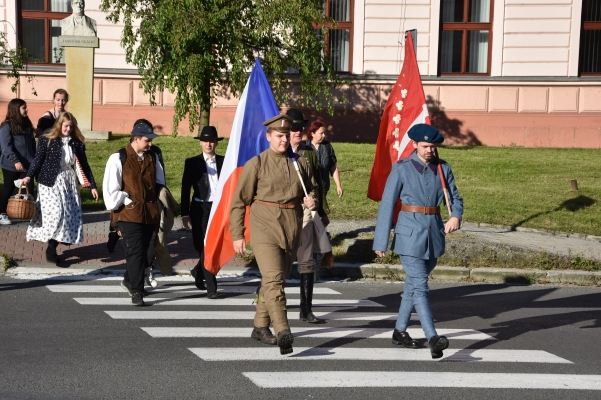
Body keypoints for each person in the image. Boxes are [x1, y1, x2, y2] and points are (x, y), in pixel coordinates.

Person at [372, 124, 463, 359]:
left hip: (433, 235)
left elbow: (455, 198)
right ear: (414, 145)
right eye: (424, 146)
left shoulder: (443, 168)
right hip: (409, 236)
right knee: (421, 285)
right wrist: (380, 241)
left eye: (432, 146)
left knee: (413, 286)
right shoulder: (401, 169)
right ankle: (433, 337)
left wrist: (455, 215)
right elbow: (387, 204)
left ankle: (399, 332)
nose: (429, 150)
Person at [230, 114, 319, 355]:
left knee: (274, 280)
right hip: (264, 227)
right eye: (278, 136)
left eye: (286, 136)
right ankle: (283, 331)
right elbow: (239, 202)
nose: (283, 140)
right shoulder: (256, 164)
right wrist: (237, 234)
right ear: (268, 136)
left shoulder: (300, 164)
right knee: (274, 280)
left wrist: (313, 200)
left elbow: (312, 188)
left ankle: (260, 326)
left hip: (291, 227)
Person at [22, 112, 98, 264]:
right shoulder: (46, 140)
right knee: (56, 213)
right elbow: (38, 160)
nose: (68, 129)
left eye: (71, 126)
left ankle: (52, 247)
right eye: (66, 126)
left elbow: (85, 166)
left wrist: (92, 186)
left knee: (66, 215)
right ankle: (51, 245)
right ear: (59, 125)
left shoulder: (76, 143)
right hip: (49, 181)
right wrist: (29, 176)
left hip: (68, 182)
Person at [103, 123, 165, 306]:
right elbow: (110, 193)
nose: (150, 144)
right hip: (127, 214)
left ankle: (129, 280)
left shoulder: (153, 157)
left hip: (150, 214)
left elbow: (160, 184)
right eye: (147, 140)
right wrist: (126, 199)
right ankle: (137, 291)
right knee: (136, 250)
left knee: (146, 252)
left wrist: (162, 207)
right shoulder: (118, 158)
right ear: (135, 139)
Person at [286, 108, 327, 323]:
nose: (297, 132)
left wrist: (317, 203)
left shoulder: (309, 153)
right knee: (278, 262)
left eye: (300, 128)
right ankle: (266, 300)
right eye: (293, 129)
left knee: (307, 261)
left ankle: (306, 309)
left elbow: (316, 184)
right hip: (282, 213)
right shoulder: (277, 153)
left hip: (305, 214)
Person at [181, 126, 224, 298]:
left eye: (212, 141)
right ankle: (201, 273)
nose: (209, 144)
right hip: (200, 208)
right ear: (200, 143)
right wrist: (184, 213)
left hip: (218, 208)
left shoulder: (224, 161)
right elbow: (185, 190)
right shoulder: (192, 163)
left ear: (216, 143)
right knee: (202, 245)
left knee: (212, 246)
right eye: (206, 141)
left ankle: (209, 284)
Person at [0, 99, 36, 225]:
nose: (27, 110)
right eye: (24, 108)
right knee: (8, 188)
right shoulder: (7, 126)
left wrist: (35, 160)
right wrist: (15, 160)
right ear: (16, 110)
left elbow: (32, 145)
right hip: (11, 165)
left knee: (29, 188)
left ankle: (31, 213)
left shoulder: (26, 124)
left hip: (28, 164)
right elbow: (5, 147)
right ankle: (2, 213)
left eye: (26, 107)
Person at [306, 120, 343, 198]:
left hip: (323, 188)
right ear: (313, 134)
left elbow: (333, 166)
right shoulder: (305, 147)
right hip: (308, 189)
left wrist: (338, 185)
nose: (324, 135)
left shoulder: (327, 146)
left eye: (324, 133)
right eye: (321, 133)